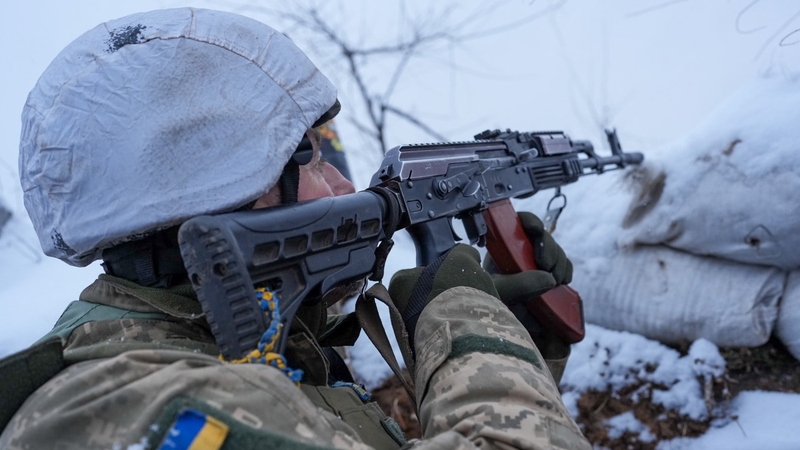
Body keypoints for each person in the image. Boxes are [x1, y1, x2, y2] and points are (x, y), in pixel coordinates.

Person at [0, 8, 591, 450]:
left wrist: (504, 352)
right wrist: (468, 323)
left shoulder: (239, 348)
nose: (342, 186)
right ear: (216, 187)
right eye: (307, 155)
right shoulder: (130, 411)